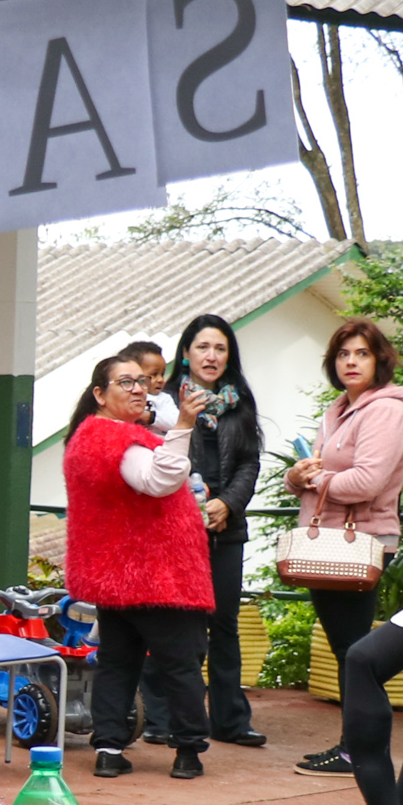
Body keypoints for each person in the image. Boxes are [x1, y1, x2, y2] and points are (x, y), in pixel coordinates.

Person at [60, 351, 215, 780]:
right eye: (125, 382)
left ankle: (109, 749)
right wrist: (183, 425)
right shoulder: (118, 439)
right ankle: (188, 751)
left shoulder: (86, 437)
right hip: (156, 573)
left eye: (141, 382)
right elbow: (159, 480)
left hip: (115, 576)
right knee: (181, 663)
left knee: (117, 662)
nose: (138, 389)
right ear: (99, 394)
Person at [283, 318, 403, 778]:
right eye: (343, 354)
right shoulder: (339, 409)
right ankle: (355, 747)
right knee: (348, 650)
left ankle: (358, 751)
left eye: (362, 353)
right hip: (330, 543)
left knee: (357, 652)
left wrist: (315, 479)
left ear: (380, 360)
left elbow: (367, 481)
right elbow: (318, 474)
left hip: (360, 543)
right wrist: (296, 477)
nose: (351, 362)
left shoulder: (387, 410)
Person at [144, 314, 265, 748]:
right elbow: (154, 459)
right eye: (202, 347)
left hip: (224, 528)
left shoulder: (239, 402)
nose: (211, 356)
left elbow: (249, 462)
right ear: (186, 354)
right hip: (175, 526)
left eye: (220, 348)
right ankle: (160, 717)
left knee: (225, 623)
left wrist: (227, 504)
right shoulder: (163, 403)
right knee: (172, 620)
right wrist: (191, 507)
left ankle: (231, 720)